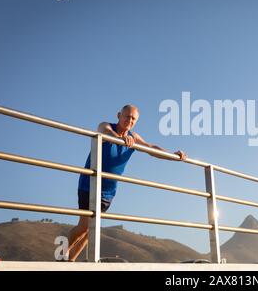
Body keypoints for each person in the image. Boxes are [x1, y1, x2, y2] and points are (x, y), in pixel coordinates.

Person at [67, 104, 187, 261]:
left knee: (92, 229)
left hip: (108, 191)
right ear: (119, 115)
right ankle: (62, 253)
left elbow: (151, 148)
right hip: (89, 183)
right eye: (127, 116)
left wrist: (173, 155)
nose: (129, 120)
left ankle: (70, 261)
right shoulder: (106, 126)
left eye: (133, 118)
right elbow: (106, 132)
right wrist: (120, 139)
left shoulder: (134, 137)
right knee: (84, 226)